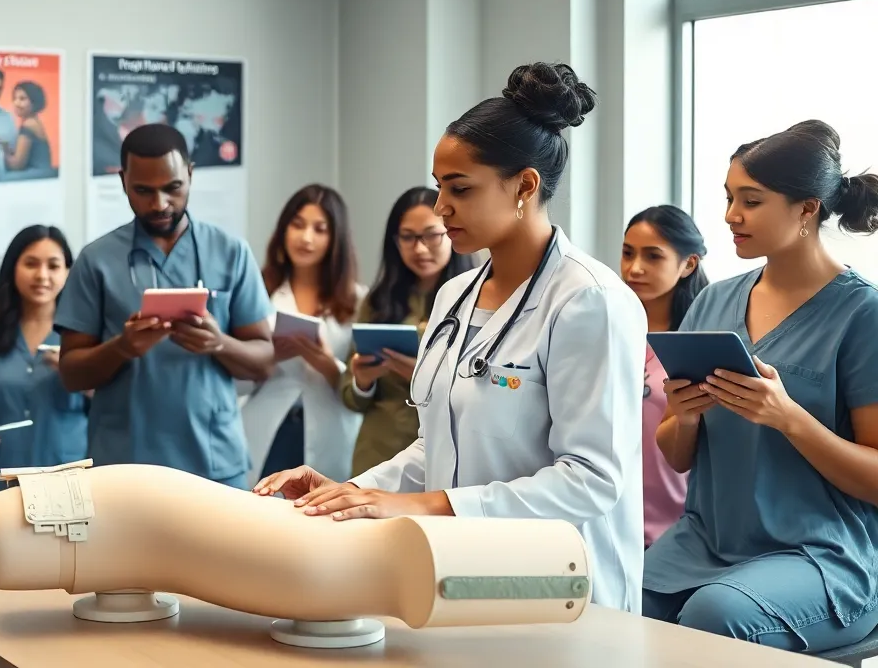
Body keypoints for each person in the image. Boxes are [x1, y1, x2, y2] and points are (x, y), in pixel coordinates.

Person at [256, 62, 647, 614]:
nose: (441, 207)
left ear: (525, 185)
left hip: (564, 587)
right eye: (440, 186)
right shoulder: (455, 297)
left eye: (459, 188)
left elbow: (591, 479)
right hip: (462, 570)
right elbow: (437, 446)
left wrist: (425, 505)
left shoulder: (590, 301)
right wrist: (353, 493)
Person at [644, 120, 878, 653]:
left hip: (821, 556)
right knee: (613, 598)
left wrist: (787, 417)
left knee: (712, 615)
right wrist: (686, 416)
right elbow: (676, 457)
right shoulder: (711, 302)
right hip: (706, 544)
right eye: (729, 198)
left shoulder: (862, 314)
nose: (731, 215)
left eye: (751, 201)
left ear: (806, 209)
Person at [57, 123, 274, 488]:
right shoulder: (96, 261)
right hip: (126, 466)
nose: (159, 204)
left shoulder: (231, 252)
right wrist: (122, 347)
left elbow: (264, 361)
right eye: (143, 190)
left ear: (190, 174)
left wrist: (219, 343)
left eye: (173, 188)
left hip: (214, 464)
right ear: (123, 181)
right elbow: (70, 374)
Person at [0, 225, 88, 557]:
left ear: (68, 272)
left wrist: (74, 368)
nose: (42, 275)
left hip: (67, 490)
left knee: (64, 582)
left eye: (54, 265)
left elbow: (110, 406)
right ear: (13, 268)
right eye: (31, 263)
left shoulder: (83, 337)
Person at [339, 187, 473, 476]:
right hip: (378, 454)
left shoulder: (476, 300)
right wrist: (363, 381)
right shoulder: (378, 301)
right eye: (408, 237)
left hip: (449, 456)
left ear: (451, 232)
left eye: (431, 235)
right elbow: (350, 397)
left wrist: (422, 377)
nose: (420, 248)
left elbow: (482, 398)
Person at [241, 184, 364, 485]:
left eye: (319, 229)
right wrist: (267, 357)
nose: (306, 238)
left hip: (330, 429)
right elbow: (237, 379)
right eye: (297, 225)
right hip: (267, 424)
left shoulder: (359, 301)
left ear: (335, 239)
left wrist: (326, 363)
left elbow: (362, 387)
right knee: (258, 505)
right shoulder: (259, 291)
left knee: (319, 507)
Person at [620, 206, 707, 547]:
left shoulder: (699, 342)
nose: (634, 268)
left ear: (689, 264)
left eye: (653, 256)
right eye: (628, 253)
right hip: (610, 516)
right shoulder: (608, 331)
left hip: (677, 528)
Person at [0, 81, 56, 182]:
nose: (16, 103)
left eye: (22, 99)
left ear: (34, 102)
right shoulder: (34, 122)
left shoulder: (29, 125)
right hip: (43, 174)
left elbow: (17, 165)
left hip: (37, 177)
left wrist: (2, 149)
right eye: (15, 98)